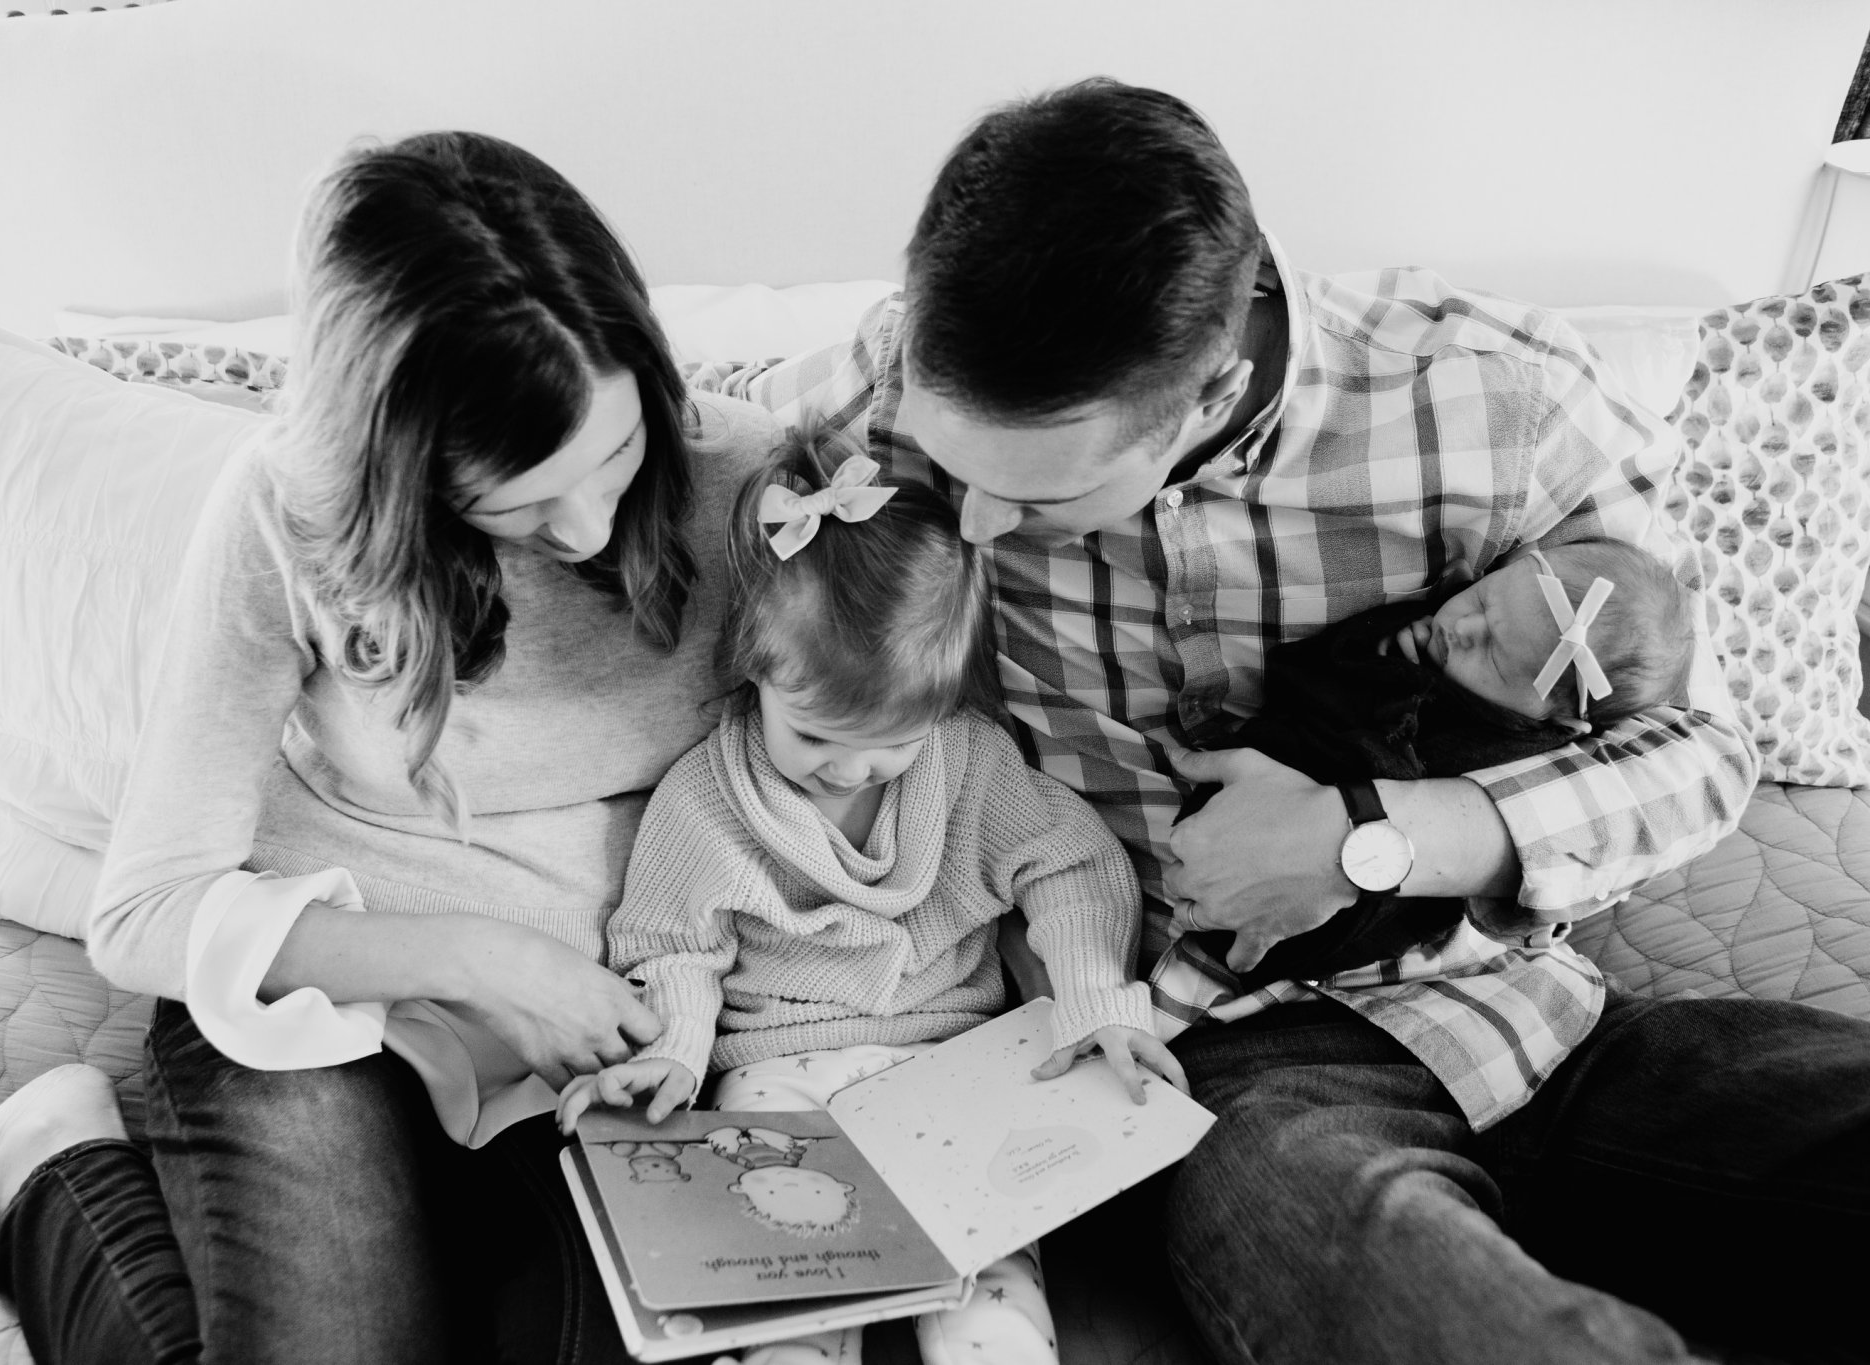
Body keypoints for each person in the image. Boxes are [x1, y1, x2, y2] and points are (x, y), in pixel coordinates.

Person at [691, 78, 1870, 1364]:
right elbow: (652, 437)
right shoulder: (884, 390)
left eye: (1033, 500)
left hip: (1548, 1010)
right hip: (1238, 1071)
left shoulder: (1496, 402)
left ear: (1204, 396)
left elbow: (1700, 756)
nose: (971, 527)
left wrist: (1374, 839)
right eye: (948, 467)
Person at [0, 131, 780, 1365]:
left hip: (594, 1049)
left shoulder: (747, 477)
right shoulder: (288, 518)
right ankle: (56, 1152)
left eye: (615, 453)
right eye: (521, 500)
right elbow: (145, 909)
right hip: (324, 1012)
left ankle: (57, 1179)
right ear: (404, 474)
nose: (589, 520)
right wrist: (482, 960)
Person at [556, 427, 1181, 1365]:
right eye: (812, 736)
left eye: (890, 743)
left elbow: (1074, 862)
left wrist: (1094, 1000)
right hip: (776, 1077)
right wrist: (680, 1053)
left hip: (952, 1065)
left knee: (995, 1304)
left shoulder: (969, 764)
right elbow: (675, 944)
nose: (849, 766)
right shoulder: (705, 799)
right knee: (786, 1311)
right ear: (752, 670)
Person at [1157, 535, 1698, 991]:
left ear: (1560, 720)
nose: (1463, 628)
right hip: (1260, 789)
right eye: (1484, 601)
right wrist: (1380, 644)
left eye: (1493, 653)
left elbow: (1409, 792)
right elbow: (1298, 676)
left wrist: (1402, 699)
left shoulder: (1514, 749)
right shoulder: (1425, 635)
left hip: (1351, 910)